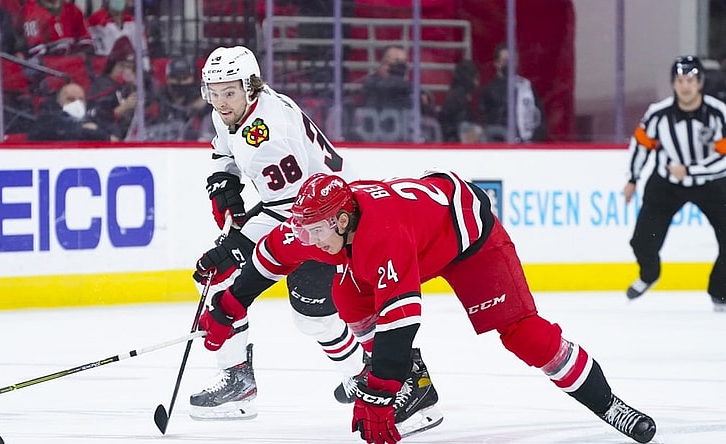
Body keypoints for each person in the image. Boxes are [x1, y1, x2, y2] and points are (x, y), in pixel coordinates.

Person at [199, 170, 658, 444]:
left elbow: (403, 324)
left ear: (341, 219)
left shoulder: (382, 237)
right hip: (424, 228)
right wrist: (227, 311)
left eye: (316, 230)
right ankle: (416, 390)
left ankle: (609, 403)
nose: (308, 239)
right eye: (305, 229)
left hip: (469, 238)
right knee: (347, 292)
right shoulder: (322, 224)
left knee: (524, 334)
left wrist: (379, 391)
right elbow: (270, 259)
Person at [188, 45, 370, 420]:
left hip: (335, 222)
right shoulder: (240, 108)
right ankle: (238, 381)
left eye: (229, 92)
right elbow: (224, 147)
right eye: (213, 91)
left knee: (312, 315)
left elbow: (295, 211)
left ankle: (362, 375)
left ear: (250, 87)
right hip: (304, 209)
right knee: (220, 278)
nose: (220, 102)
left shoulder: (268, 136)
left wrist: (237, 245)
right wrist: (223, 180)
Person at [624, 55, 726, 313]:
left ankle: (719, 291)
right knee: (642, 241)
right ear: (673, 84)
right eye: (680, 80)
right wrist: (632, 179)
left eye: (690, 80)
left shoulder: (719, 114)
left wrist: (690, 170)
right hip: (667, 184)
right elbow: (641, 146)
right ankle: (649, 274)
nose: (685, 86)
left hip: (711, 183)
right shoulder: (658, 114)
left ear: (700, 83)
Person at [479, 43, 545, 142]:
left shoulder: (526, 87)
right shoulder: (488, 91)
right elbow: (485, 124)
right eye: (505, 61)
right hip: (501, 147)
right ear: (496, 63)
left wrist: (534, 139)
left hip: (526, 146)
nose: (509, 65)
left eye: (512, 61)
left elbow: (539, 118)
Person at [87, 37, 147, 140]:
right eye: (122, 65)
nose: (125, 71)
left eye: (130, 67)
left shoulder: (136, 87)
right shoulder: (102, 86)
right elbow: (94, 118)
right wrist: (123, 108)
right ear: (113, 65)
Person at [144, 57, 210, 141]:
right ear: (167, 79)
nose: (180, 82)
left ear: (193, 79)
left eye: (184, 78)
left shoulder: (204, 100)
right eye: (175, 78)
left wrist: (203, 108)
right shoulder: (159, 99)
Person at [27, 82, 116, 141]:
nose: (77, 103)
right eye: (71, 99)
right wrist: (88, 130)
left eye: (81, 99)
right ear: (59, 101)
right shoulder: (47, 120)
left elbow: (114, 137)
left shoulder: (94, 119)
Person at [21, 0, 93, 59]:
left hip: (74, 69)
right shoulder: (30, 12)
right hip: (47, 71)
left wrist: (78, 57)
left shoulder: (73, 10)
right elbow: (37, 54)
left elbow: (87, 45)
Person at [438, 59, 482, 143]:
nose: (478, 83)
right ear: (468, 79)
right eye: (476, 78)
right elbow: (464, 130)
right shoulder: (459, 100)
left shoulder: (455, 96)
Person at [360, 45, 411, 110]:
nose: (402, 65)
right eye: (397, 60)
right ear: (383, 62)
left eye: (404, 61)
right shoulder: (371, 83)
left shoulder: (407, 87)